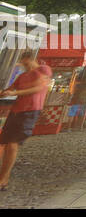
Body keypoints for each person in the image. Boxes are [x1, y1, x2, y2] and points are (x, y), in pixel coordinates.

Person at [0, 50, 52, 191]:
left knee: (12, 144)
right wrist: (6, 92)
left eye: (24, 62)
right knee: (3, 143)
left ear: (30, 59)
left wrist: (15, 93)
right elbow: (8, 90)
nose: (23, 65)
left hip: (30, 111)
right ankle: (3, 176)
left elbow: (39, 87)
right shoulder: (21, 76)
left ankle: (3, 179)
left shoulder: (43, 69)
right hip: (16, 111)